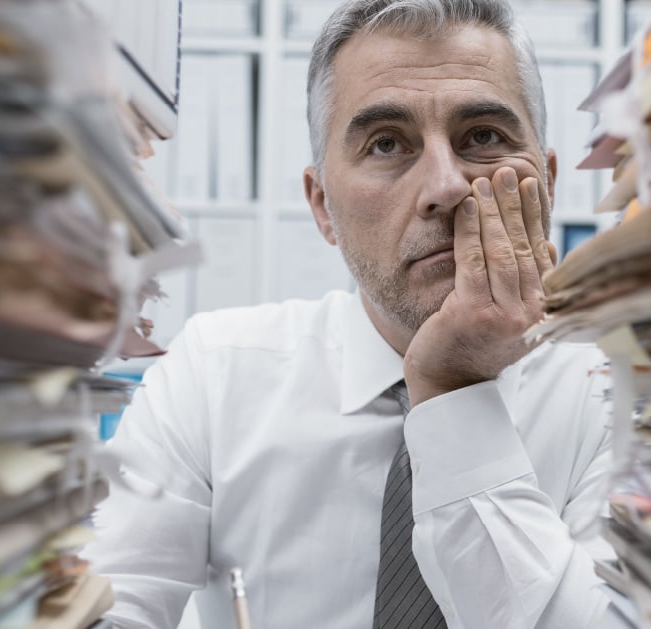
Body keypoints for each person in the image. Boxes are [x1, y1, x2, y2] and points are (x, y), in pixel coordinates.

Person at [84, 1, 620, 627]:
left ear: (547, 184)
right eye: (387, 144)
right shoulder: (213, 374)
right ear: (321, 207)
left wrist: (453, 393)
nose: (445, 186)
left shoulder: (626, 395)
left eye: (482, 137)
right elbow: (103, 607)